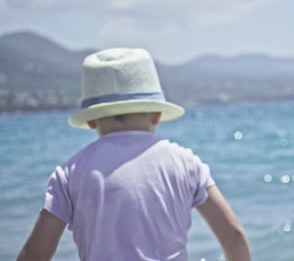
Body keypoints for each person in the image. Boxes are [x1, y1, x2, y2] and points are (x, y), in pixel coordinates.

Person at [17, 48, 251, 261]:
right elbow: (234, 235)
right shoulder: (186, 163)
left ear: (90, 121)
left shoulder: (70, 173)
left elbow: (36, 254)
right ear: (157, 115)